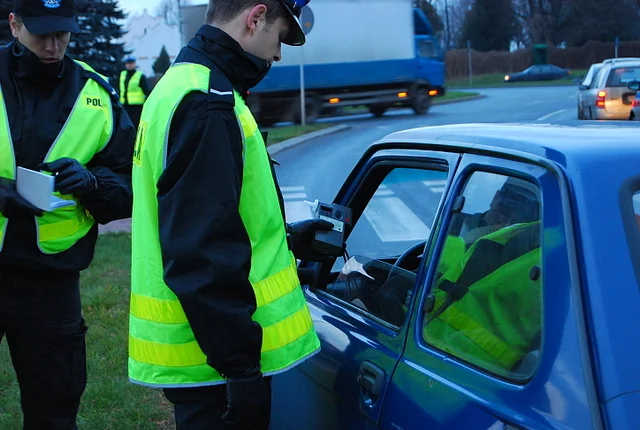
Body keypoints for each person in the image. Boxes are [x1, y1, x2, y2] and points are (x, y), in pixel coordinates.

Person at [128, 0, 332, 429]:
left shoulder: (181, 85)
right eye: (279, 37)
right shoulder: (208, 102)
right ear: (255, 17)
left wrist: (288, 237)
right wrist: (241, 371)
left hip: (202, 354)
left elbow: (203, 217)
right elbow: (201, 252)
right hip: (214, 368)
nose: (278, 55)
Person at [0, 0, 135, 428]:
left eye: (63, 33)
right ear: (14, 23)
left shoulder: (94, 93)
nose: (54, 44)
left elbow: (129, 185)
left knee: (54, 411)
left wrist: (94, 183)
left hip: (50, 283)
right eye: (42, 33)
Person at [118, 56, 151, 130]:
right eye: (128, 63)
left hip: (137, 105)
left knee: (135, 125)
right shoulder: (122, 75)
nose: (130, 65)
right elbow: (119, 88)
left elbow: (146, 90)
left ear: (134, 64)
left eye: (131, 63)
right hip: (124, 104)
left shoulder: (140, 76)